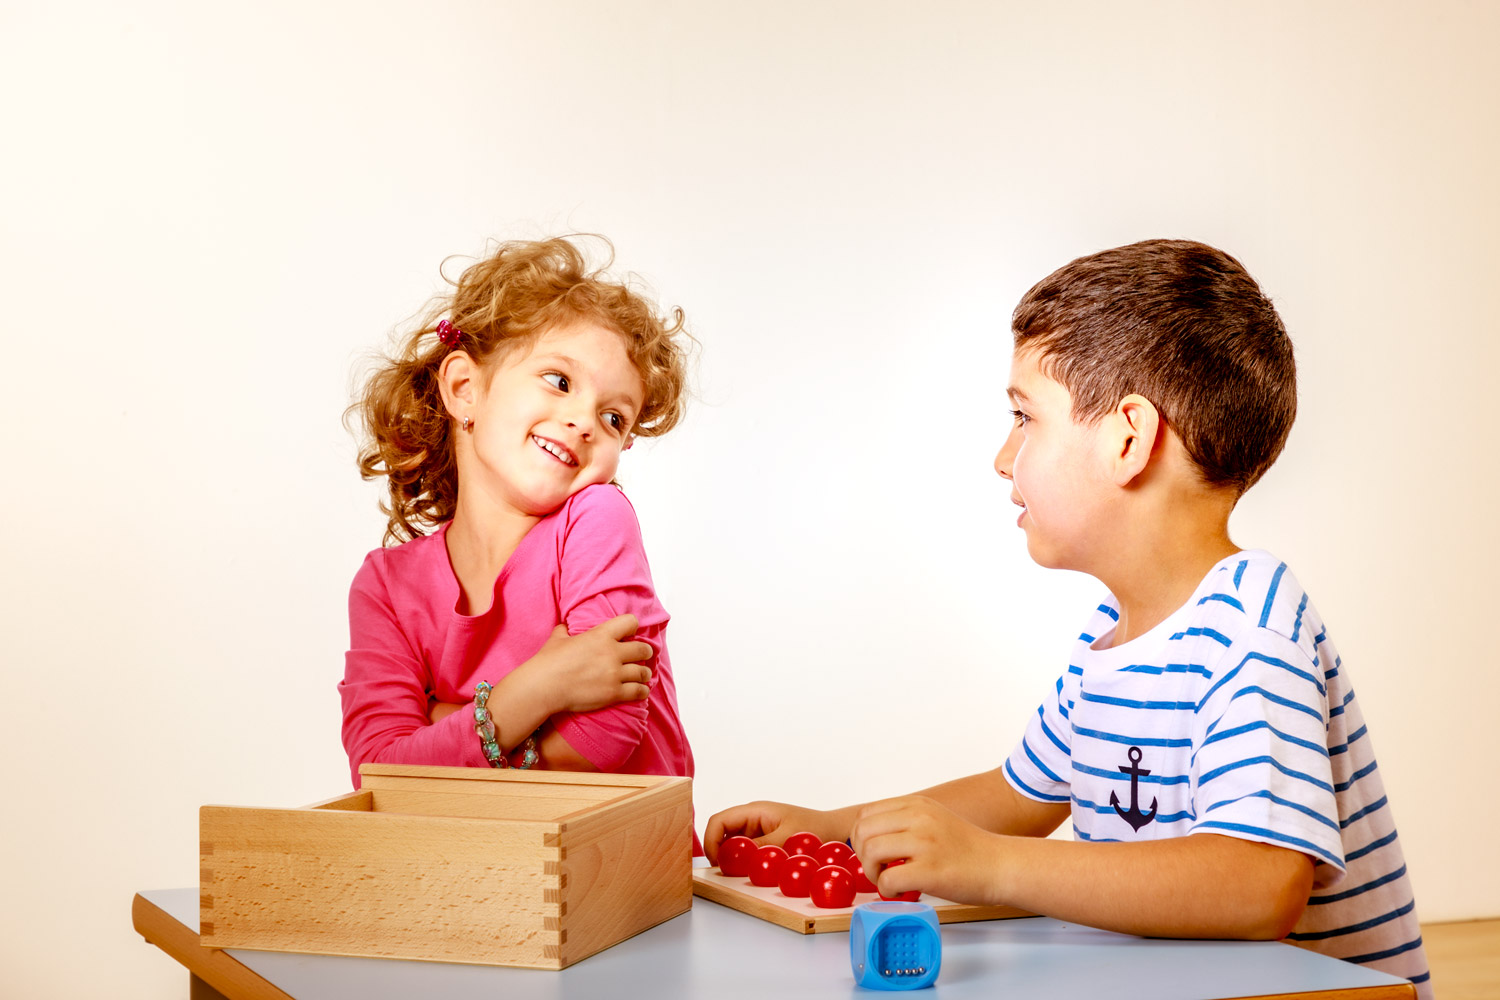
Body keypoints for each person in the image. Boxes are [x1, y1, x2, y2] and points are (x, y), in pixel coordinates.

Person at [704, 240, 1430, 996]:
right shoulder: (1109, 637)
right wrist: (834, 825)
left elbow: (1258, 886)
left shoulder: (1252, 621)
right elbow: (1016, 796)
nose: (1001, 456)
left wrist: (990, 867)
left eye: (1024, 418)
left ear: (1128, 438)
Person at [341, 237, 696, 842]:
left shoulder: (598, 518)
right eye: (559, 381)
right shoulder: (387, 585)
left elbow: (605, 738)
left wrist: (449, 727)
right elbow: (380, 780)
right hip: (496, 883)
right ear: (464, 390)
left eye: (615, 418)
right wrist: (535, 690)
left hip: (633, 880)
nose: (585, 421)